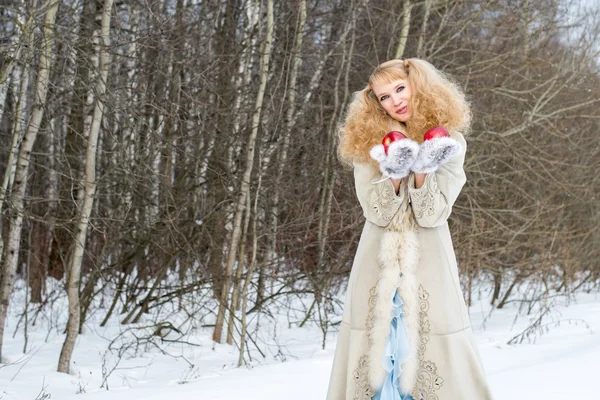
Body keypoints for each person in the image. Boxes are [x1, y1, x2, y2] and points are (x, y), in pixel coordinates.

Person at [326, 59, 494, 400]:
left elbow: (433, 215)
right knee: (374, 354)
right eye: (384, 96)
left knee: (432, 358)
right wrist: (395, 173)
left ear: (417, 85)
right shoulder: (368, 143)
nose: (395, 100)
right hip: (377, 266)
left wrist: (423, 170)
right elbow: (377, 213)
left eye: (400, 88)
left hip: (429, 266)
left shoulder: (452, 142)